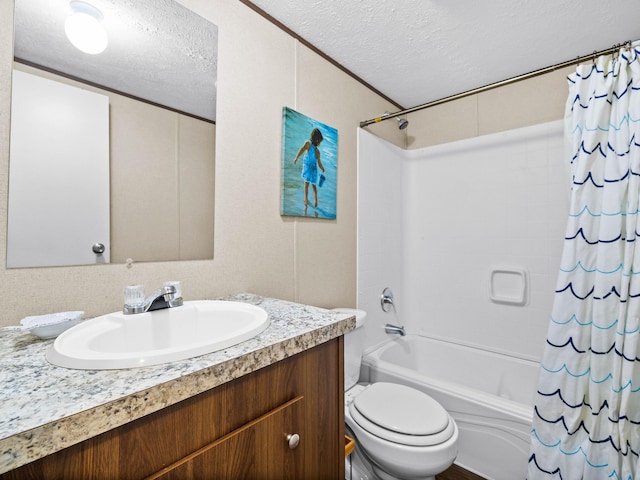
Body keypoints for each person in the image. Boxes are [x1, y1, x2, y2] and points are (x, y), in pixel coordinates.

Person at [293, 128, 325, 207]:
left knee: (313, 185)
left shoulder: (317, 151)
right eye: (320, 141)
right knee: (306, 184)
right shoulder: (308, 144)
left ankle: (315, 200)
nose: (320, 143)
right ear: (317, 139)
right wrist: (296, 157)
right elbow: (301, 149)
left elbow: (319, 162)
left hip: (313, 169)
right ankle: (306, 199)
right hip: (307, 168)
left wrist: (322, 168)